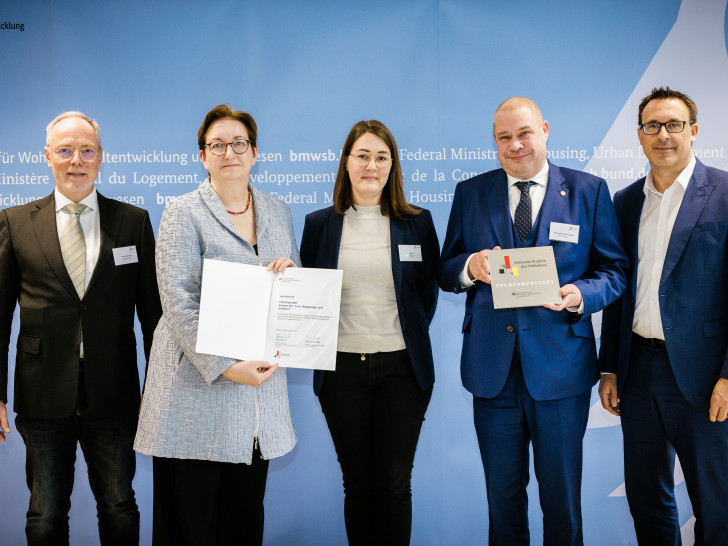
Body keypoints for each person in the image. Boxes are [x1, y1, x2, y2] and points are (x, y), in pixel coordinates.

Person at [438, 97, 628, 545]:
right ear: (495, 142)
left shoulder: (588, 190)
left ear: (543, 129)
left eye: (523, 133)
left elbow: (616, 272)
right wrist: (470, 266)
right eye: (504, 137)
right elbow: (446, 269)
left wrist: (581, 293)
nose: (515, 145)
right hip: (493, 374)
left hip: (560, 373)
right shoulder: (471, 192)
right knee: (503, 504)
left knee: (562, 503)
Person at [133, 104, 298, 546]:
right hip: (195, 395)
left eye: (238, 143)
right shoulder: (182, 211)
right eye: (217, 145)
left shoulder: (278, 210)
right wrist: (227, 366)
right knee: (192, 526)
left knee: (243, 522)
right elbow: (177, 302)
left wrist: (288, 276)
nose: (229, 152)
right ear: (202, 156)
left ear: (255, 152)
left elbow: (289, 293)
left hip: (257, 401)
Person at [0, 111, 162, 545]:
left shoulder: (133, 221)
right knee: (46, 513)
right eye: (66, 150)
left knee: (119, 505)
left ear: (101, 157)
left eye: (87, 150)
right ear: (47, 157)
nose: (77, 160)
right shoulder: (15, 223)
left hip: (115, 392)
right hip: (42, 392)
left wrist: (158, 387)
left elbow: (153, 317)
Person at [300, 120, 439, 545]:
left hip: (402, 370)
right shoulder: (320, 224)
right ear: (346, 163)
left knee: (395, 483)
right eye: (362, 155)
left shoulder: (416, 222)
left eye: (381, 157)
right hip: (342, 372)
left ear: (392, 165)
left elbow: (425, 295)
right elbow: (310, 295)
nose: (371, 165)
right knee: (357, 484)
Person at [599, 87, 728, 545]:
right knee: (647, 499)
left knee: (716, 505)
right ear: (639, 136)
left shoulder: (725, 193)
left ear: (693, 131)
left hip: (703, 376)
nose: (663, 135)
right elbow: (618, 290)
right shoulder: (624, 201)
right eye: (653, 126)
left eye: (674, 124)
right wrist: (610, 367)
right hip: (637, 373)